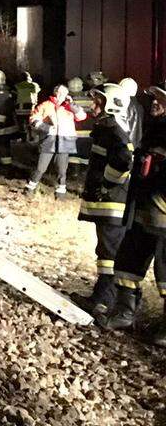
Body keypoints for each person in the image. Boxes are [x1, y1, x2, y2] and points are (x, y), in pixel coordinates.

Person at [102, 83, 166, 344]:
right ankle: (124, 313)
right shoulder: (157, 129)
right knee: (128, 263)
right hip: (142, 212)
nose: (154, 103)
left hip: (162, 215)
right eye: (153, 99)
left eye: (160, 99)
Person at [72, 80, 138, 316]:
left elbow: (123, 161)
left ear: (111, 106)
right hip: (107, 203)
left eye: (98, 102)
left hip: (112, 204)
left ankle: (105, 300)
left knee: (110, 253)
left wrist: (107, 184)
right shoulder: (105, 130)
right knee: (106, 251)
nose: (93, 106)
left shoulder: (113, 132)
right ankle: (102, 297)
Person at [25, 84, 88, 198]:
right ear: (55, 93)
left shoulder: (69, 106)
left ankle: (60, 193)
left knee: (62, 169)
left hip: (65, 140)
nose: (62, 95)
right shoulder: (46, 105)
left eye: (64, 93)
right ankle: (30, 188)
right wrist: (46, 127)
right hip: (49, 139)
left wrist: (72, 105)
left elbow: (82, 116)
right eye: (60, 92)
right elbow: (33, 119)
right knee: (41, 167)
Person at [13, 71, 41, 140]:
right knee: (29, 121)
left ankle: (23, 137)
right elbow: (36, 92)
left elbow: (14, 95)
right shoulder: (33, 85)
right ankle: (31, 135)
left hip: (19, 106)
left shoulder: (17, 86)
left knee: (21, 122)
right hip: (29, 106)